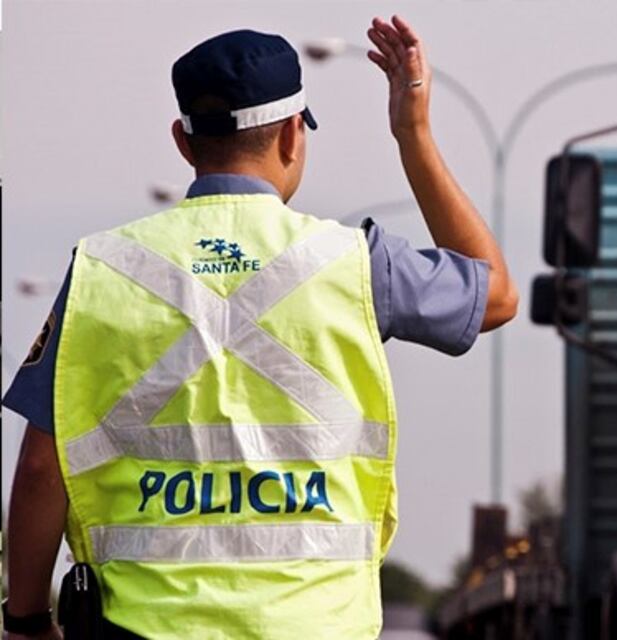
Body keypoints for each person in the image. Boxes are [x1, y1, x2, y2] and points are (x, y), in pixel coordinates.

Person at [1, 16, 517, 640]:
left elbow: (39, 470)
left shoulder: (104, 268)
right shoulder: (356, 263)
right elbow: (495, 295)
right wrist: (413, 134)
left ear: (183, 142)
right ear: (293, 136)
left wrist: (26, 620)